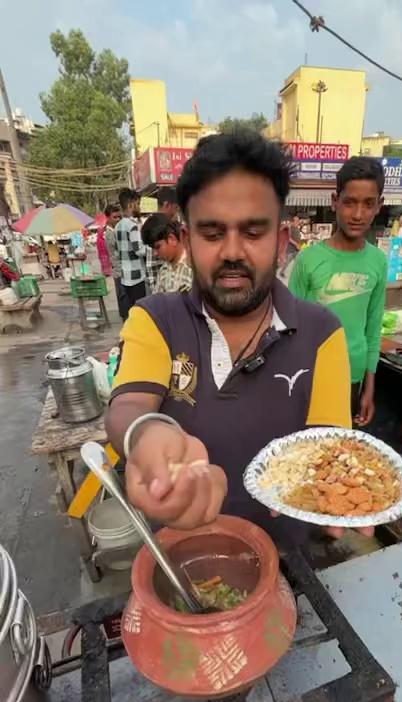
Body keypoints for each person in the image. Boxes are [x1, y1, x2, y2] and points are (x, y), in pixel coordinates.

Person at [106, 130, 366, 546]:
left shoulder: (322, 334)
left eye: (252, 233)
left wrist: (347, 492)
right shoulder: (154, 319)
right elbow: (128, 405)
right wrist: (145, 435)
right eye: (211, 233)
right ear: (188, 240)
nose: (231, 251)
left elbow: (328, 451)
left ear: (281, 244)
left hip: (286, 560)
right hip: (180, 556)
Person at [289, 156, 387, 426]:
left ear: (379, 205)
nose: (357, 214)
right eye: (349, 202)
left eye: (368, 204)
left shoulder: (378, 261)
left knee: (340, 458)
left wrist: (369, 387)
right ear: (335, 201)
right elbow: (289, 328)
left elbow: (372, 329)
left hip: (352, 380)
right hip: (311, 378)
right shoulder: (309, 260)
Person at [141, 213, 192, 294]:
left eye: (157, 247)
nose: (155, 254)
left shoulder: (195, 269)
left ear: (172, 239)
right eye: (153, 249)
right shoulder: (163, 271)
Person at [115, 188, 148, 312]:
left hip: (125, 276)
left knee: (132, 311)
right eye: (138, 204)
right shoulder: (132, 226)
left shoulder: (118, 226)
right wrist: (151, 248)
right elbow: (139, 250)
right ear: (130, 205)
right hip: (136, 276)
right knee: (140, 311)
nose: (139, 207)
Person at [98, 203, 127, 320]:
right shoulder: (109, 233)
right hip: (119, 270)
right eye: (115, 217)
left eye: (119, 217)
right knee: (123, 298)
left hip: (122, 269)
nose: (118, 219)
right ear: (108, 218)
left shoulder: (117, 230)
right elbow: (116, 253)